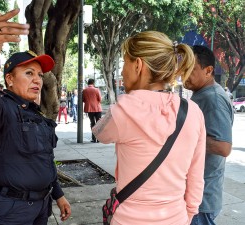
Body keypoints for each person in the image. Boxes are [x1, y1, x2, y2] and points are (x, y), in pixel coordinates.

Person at [0, 9, 71, 225]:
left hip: (41, 207)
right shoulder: (2, 110)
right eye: (29, 73)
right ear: (10, 79)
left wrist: (58, 195)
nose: (37, 80)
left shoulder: (36, 114)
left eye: (40, 75)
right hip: (9, 211)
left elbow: (45, 159)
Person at [92, 31, 206, 224]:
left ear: (138, 65)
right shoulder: (193, 112)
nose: (122, 72)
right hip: (176, 218)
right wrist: (187, 215)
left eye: (124, 63)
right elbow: (196, 176)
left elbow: (99, 133)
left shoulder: (123, 110)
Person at [184, 45, 234, 225]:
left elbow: (223, 147)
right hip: (197, 195)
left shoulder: (212, 97)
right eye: (183, 68)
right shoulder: (202, 94)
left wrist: (182, 136)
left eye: (191, 69)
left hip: (202, 199)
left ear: (208, 71)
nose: (185, 73)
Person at [82, 78, 102, 143]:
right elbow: (100, 99)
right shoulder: (96, 90)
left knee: (92, 123)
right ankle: (98, 139)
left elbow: (83, 99)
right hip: (97, 108)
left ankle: (93, 138)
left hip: (90, 109)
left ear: (88, 83)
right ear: (93, 83)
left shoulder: (84, 90)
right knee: (98, 123)